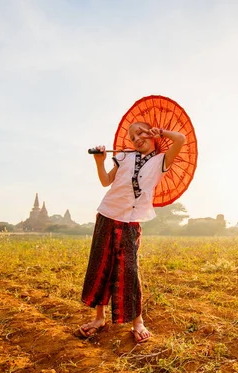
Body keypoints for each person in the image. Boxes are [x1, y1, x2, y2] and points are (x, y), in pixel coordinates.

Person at [78, 122, 186, 343]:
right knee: (101, 266)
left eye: (141, 132)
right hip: (107, 215)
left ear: (153, 134)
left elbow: (181, 139)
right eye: (132, 136)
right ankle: (99, 318)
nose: (136, 138)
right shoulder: (124, 157)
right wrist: (99, 162)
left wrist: (162, 132)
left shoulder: (161, 161)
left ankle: (138, 322)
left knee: (129, 270)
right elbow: (105, 181)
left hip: (131, 222)